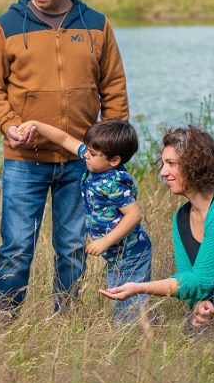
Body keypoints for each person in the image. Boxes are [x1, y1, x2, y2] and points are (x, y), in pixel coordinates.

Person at [0, 0, 129, 316]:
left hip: (81, 160)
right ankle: (0, 321)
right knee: (15, 248)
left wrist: (111, 151)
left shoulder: (96, 25)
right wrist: (8, 123)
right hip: (23, 160)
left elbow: (113, 89)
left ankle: (66, 321)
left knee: (73, 246)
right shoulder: (7, 25)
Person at [101, 127, 214, 330]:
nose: (163, 172)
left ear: (195, 165)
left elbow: (201, 280)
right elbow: (189, 280)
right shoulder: (181, 218)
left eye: (171, 164)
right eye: (163, 164)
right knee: (193, 325)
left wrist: (139, 288)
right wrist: (199, 304)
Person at [17, 118, 152, 322]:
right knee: (122, 299)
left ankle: (136, 337)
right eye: (87, 150)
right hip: (116, 255)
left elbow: (134, 215)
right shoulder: (95, 160)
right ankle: (143, 324)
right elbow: (64, 138)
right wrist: (37, 124)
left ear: (114, 160)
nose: (86, 155)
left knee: (126, 305)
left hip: (131, 254)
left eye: (92, 154)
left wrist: (104, 242)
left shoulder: (113, 183)